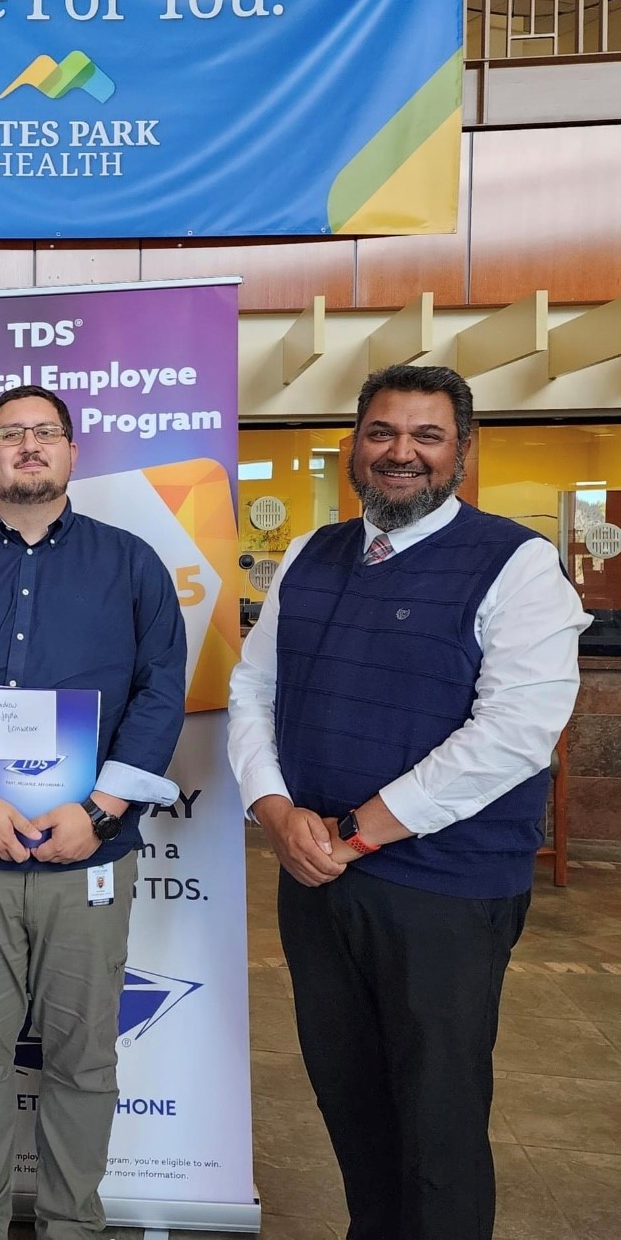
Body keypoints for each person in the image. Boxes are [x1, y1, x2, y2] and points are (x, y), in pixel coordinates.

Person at [227, 364, 591, 1240]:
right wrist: (275, 812)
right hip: (314, 879)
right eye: (382, 433)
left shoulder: (517, 562)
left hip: (443, 888)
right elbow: (252, 690)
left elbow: (513, 731)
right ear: (355, 446)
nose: (401, 453)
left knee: (437, 1117)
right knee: (349, 1099)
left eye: (426, 436)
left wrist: (356, 833)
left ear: (460, 452)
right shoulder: (310, 556)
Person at [0, 385, 187, 1239]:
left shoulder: (131, 564)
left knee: (84, 1058)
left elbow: (162, 691)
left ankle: (70, 1225)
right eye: (9, 434)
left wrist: (101, 807)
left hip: (85, 852)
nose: (27, 446)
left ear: (71, 453)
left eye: (44, 433)